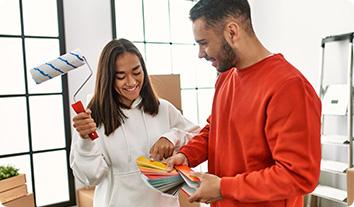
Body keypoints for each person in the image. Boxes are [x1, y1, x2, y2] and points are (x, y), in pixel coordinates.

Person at [166, 0, 322, 207]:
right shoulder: (226, 76)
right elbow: (216, 129)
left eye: (204, 43)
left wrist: (223, 188)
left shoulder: (289, 87)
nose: (200, 53)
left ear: (232, 32)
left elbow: (299, 175)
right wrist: (186, 155)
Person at [70, 38, 200, 207]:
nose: (131, 82)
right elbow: (91, 177)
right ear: (108, 79)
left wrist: (172, 136)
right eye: (121, 76)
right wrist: (85, 141)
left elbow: (199, 138)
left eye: (137, 72)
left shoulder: (163, 108)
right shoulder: (92, 119)